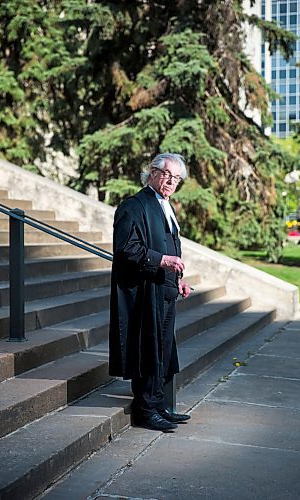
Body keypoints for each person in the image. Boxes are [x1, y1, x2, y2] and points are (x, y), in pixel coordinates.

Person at [109, 153, 192, 432]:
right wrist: (163, 261)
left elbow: (173, 246)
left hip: (166, 287)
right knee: (148, 348)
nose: (171, 181)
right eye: (166, 174)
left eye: (176, 178)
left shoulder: (166, 206)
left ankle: (158, 405)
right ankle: (145, 410)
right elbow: (126, 249)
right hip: (146, 290)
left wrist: (179, 277)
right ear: (152, 172)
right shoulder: (134, 206)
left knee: (163, 349)